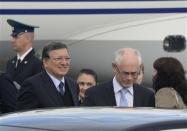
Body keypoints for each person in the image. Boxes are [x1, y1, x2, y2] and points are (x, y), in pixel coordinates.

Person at [82, 48, 155, 107]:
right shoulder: (94, 94)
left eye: (134, 73)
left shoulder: (147, 96)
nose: (129, 78)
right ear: (114, 67)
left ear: (139, 68)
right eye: (125, 73)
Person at [17, 42, 79, 110]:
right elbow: (24, 117)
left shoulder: (73, 84)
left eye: (67, 58)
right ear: (45, 62)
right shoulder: (32, 85)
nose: (64, 63)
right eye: (58, 59)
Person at [6, 19, 43, 86]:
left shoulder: (38, 64)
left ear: (28, 38)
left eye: (16, 37)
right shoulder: (10, 63)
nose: (12, 40)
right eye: (12, 37)